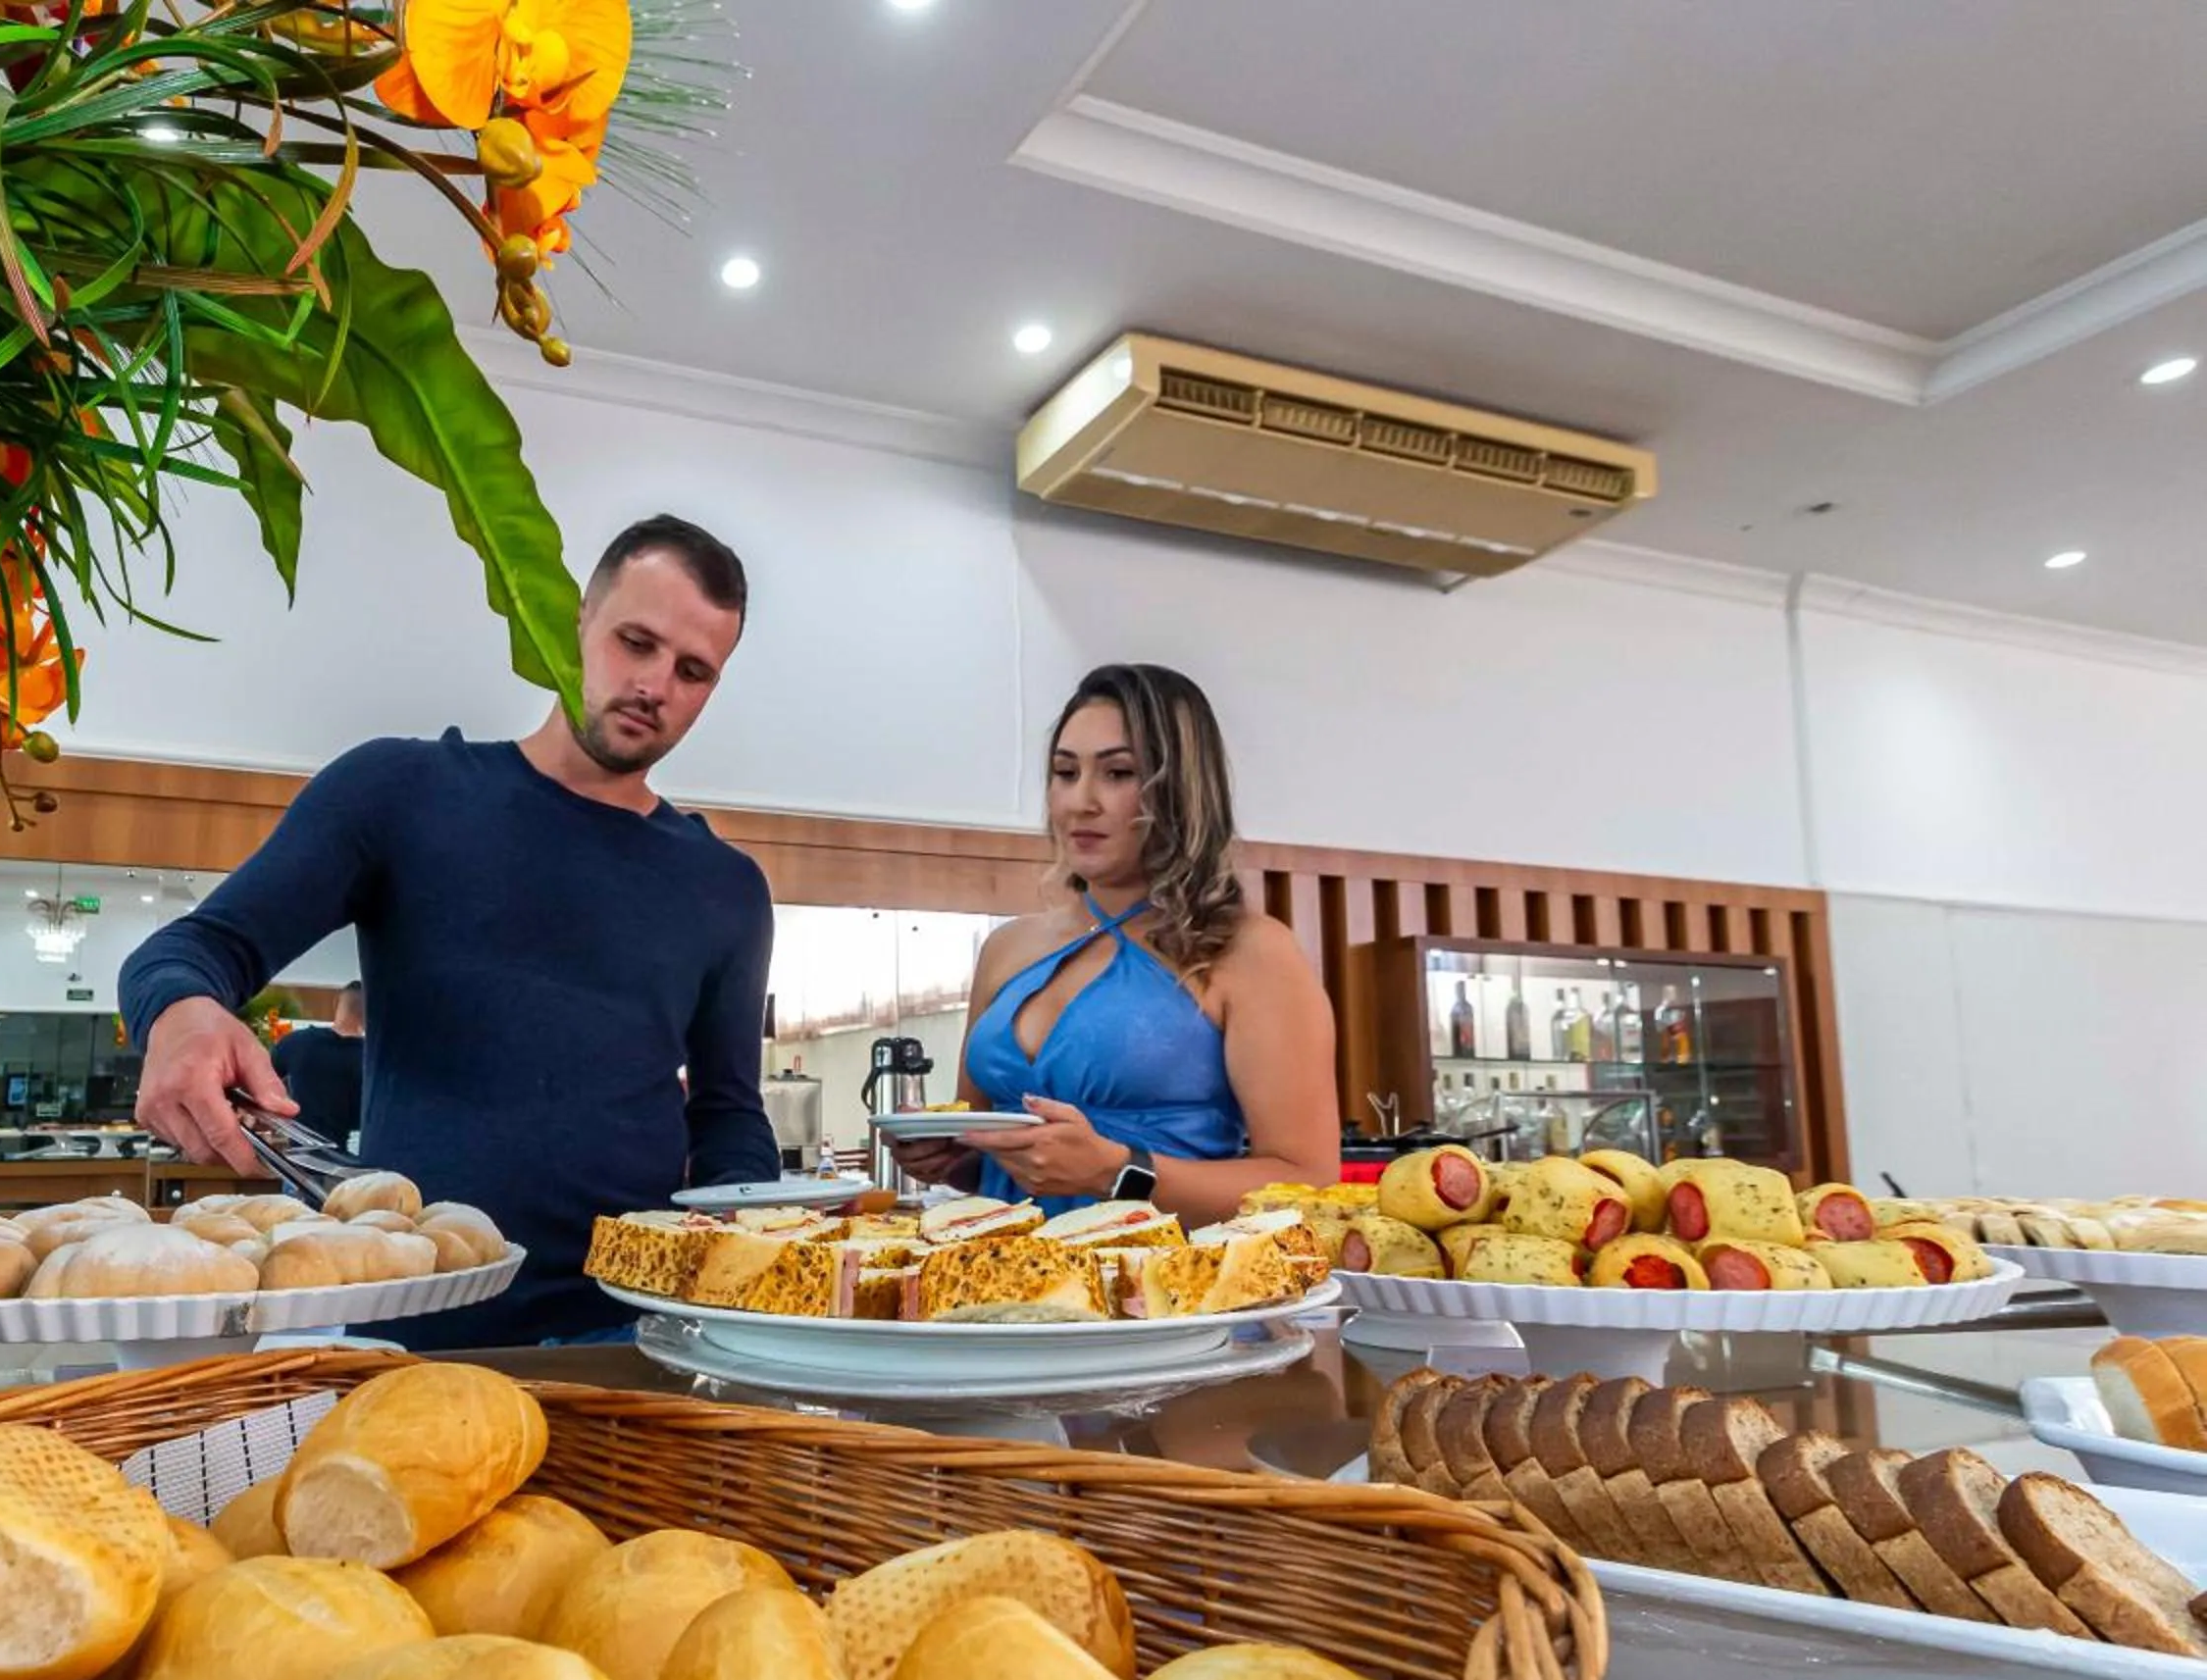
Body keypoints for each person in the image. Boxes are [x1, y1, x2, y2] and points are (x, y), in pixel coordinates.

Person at [125, 515, 781, 1347]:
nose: (655, 684)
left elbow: (728, 1115)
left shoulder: (725, 887)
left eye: (693, 671)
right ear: (574, 620)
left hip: (641, 1334)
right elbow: (195, 949)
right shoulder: (401, 793)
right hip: (420, 1323)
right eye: (636, 642)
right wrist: (182, 1014)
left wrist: (752, 1238)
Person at [889, 664, 1339, 1222]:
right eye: (1065, 772)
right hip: (1006, 1270)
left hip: (1166, 1274)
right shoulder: (1006, 948)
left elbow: (1309, 1182)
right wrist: (948, 1157)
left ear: (1181, 792)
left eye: (1118, 773)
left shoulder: (1251, 951)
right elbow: (987, 1154)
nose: (1081, 801)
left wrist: (1116, 1172)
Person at [269, 982, 368, 1146]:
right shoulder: (370, 1059)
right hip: (339, 1154)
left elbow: (264, 1082)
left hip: (298, 1152)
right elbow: (361, 1119)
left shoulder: (296, 1043)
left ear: (336, 1003)